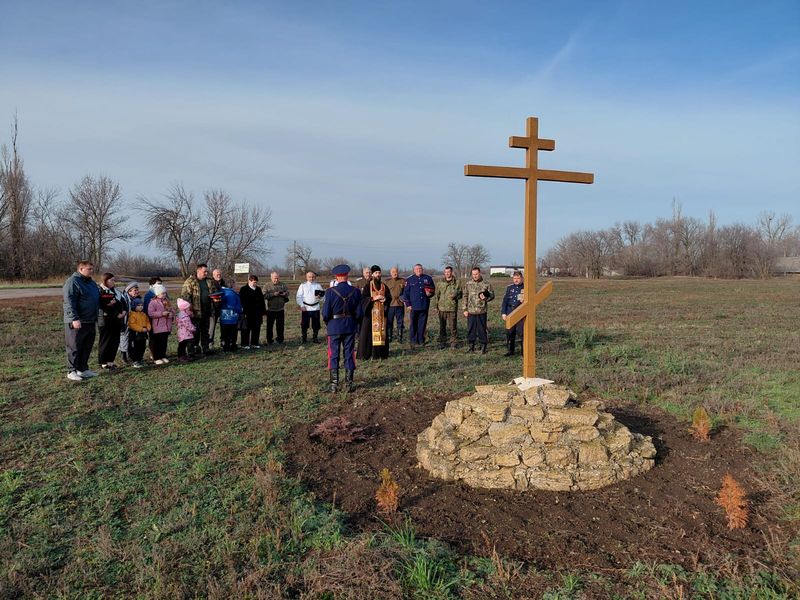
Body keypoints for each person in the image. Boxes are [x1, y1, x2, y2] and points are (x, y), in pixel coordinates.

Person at [322, 264, 364, 392]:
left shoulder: (330, 292)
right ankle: (348, 384)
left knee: (333, 355)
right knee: (349, 354)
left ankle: (334, 385)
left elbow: (325, 313)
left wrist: (328, 323)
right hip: (350, 326)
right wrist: (353, 322)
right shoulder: (356, 291)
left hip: (334, 327)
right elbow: (360, 313)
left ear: (336, 277)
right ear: (347, 275)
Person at [63, 260, 100, 381]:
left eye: (92, 268)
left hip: (90, 320)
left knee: (87, 346)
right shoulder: (73, 282)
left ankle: (82, 369)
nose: (91, 271)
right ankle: (71, 370)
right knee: (74, 346)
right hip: (78, 321)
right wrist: (74, 318)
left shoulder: (91, 283)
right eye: (89, 269)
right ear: (80, 269)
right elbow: (69, 302)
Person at [180, 263, 221, 355]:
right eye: (204, 271)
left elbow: (214, 292)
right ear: (198, 271)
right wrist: (190, 308)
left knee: (205, 332)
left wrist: (216, 299)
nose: (206, 273)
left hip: (207, 311)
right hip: (195, 312)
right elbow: (185, 296)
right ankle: (192, 350)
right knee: (194, 332)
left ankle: (206, 349)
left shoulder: (209, 281)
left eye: (207, 271)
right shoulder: (190, 281)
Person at [357, 265, 391, 360]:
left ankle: (381, 354)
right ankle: (366, 354)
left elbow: (389, 297)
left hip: (381, 314)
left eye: (379, 273)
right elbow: (363, 299)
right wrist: (373, 298)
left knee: (382, 334)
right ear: (372, 274)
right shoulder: (368, 286)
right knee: (367, 335)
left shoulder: (384, 286)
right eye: (376, 273)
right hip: (370, 314)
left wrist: (385, 299)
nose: (378, 275)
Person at [400, 263, 435, 348]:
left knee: (422, 324)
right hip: (413, 306)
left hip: (424, 305)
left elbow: (433, 290)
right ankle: (413, 340)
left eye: (420, 269)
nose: (419, 270)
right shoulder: (409, 280)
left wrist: (430, 293)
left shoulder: (428, 278)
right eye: (417, 269)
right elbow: (406, 293)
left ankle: (421, 340)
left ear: (422, 269)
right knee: (413, 324)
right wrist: (408, 304)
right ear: (414, 270)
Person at [97, 272, 127, 370]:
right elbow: (102, 306)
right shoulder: (101, 291)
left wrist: (124, 311)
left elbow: (123, 301)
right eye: (111, 280)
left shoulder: (116, 291)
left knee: (114, 341)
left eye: (114, 280)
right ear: (105, 280)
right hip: (105, 321)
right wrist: (115, 314)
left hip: (117, 321)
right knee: (106, 341)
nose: (113, 282)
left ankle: (110, 361)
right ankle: (103, 362)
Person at [462, 267, 495, 354]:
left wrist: (486, 297)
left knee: (482, 329)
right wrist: (464, 309)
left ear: (480, 273)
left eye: (476, 274)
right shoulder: (468, 284)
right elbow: (465, 296)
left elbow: (492, 295)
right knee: (471, 329)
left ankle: (483, 346)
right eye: (473, 274)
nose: (475, 276)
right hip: (471, 311)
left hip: (481, 311)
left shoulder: (486, 284)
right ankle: (471, 346)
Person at [432, 265, 463, 349]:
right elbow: (436, 295)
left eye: (448, 272)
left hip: (452, 308)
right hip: (442, 308)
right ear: (444, 273)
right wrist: (435, 306)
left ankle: (454, 343)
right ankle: (442, 342)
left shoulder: (457, 282)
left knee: (453, 327)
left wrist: (456, 295)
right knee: (442, 327)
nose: (447, 274)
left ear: (451, 272)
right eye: (445, 272)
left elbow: (461, 295)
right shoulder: (440, 283)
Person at [147, 283, 174, 364]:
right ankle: (156, 357)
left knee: (164, 342)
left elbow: (172, 310)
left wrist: (171, 313)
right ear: (157, 294)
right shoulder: (153, 302)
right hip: (158, 326)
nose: (164, 295)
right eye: (162, 293)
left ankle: (163, 356)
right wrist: (162, 313)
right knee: (157, 343)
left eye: (165, 293)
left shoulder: (167, 301)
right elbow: (151, 313)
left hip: (166, 325)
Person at [501, 270, 525, 357]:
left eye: (518, 278)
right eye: (514, 278)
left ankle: (524, 352)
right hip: (510, 312)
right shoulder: (510, 288)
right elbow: (505, 301)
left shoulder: (526, 288)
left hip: (521, 312)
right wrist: (503, 313)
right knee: (509, 332)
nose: (516, 280)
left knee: (521, 333)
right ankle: (510, 351)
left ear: (522, 279)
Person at [126, 285, 151, 368]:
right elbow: (132, 324)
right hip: (136, 334)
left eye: (141, 305)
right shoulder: (132, 315)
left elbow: (147, 321)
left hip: (143, 334)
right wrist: (140, 329)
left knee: (142, 347)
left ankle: (140, 359)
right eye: (138, 305)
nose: (140, 307)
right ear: (134, 306)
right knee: (135, 348)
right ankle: (135, 360)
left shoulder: (143, 314)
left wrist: (148, 327)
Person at [296, 270, 324, 343]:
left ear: (315, 277)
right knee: (304, 324)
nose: (311, 278)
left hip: (315, 308)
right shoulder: (303, 285)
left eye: (313, 277)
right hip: (306, 308)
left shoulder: (318, 285)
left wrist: (320, 297)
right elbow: (299, 297)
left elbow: (323, 297)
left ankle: (315, 338)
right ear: (306, 277)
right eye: (309, 277)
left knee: (316, 324)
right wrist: (302, 305)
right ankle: (304, 338)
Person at [239, 274, 266, 349]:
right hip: (247, 313)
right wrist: (243, 312)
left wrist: (263, 311)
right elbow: (242, 301)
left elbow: (262, 301)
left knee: (256, 328)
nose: (255, 284)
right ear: (249, 281)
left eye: (256, 282)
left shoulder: (258, 289)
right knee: (246, 329)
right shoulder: (243, 289)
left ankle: (254, 343)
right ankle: (245, 344)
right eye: (254, 282)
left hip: (257, 313)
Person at [263, 271, 289, 344]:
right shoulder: (267, 285)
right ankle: (269, 340)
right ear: (271, 277)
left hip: (280, 309)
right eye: (275, 278)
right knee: (270, 326)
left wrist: (284, 294)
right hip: (271, 310)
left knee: (280, 326)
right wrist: (273, 294)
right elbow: (264, 295)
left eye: (277, 278)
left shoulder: (283, 285)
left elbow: (288, 292)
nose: (276, 280)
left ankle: (280, 339)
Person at [384, 267, 406, 343]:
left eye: (396, 272)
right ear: (391, 273)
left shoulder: (403, 281)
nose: (394, 273)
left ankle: (400, 337)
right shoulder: (387, 282)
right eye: (393, 272)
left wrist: (403, 298)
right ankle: (390, 337)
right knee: (389, 322)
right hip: (390, 305)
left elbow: (405, 292)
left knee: (400, 322)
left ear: (398, 272)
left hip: (399, 305)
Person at [219, 286, 243, 351]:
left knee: (225, 332)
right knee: (233, 332)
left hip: (224, 316)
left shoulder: (220, 291)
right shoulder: (232, 293)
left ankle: (226, 346)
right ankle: (233, 345)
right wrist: (240, 310)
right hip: (232, 317)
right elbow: (235, 305)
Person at [208, 268, 226, 348]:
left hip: (223, 308)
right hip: (213, 309)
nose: (219, 275)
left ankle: (223, 342)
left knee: (224, 326)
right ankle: (210, 344)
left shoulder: (224, 283)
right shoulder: (211, 284)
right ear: (213, 275)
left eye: (220, 274)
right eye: (217, 274)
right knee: (211, 327)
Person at [175, 298, 196, 362]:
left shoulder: (180, 315)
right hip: (187, 333)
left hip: (181, 334)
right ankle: (190, 355)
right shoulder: (185, 317)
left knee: (181, 345)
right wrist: (193, 329)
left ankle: (181, 356)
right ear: (184, 309)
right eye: (188, 308)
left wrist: (190, 314)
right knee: (190, 343)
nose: (189, 309)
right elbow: (188, 325)